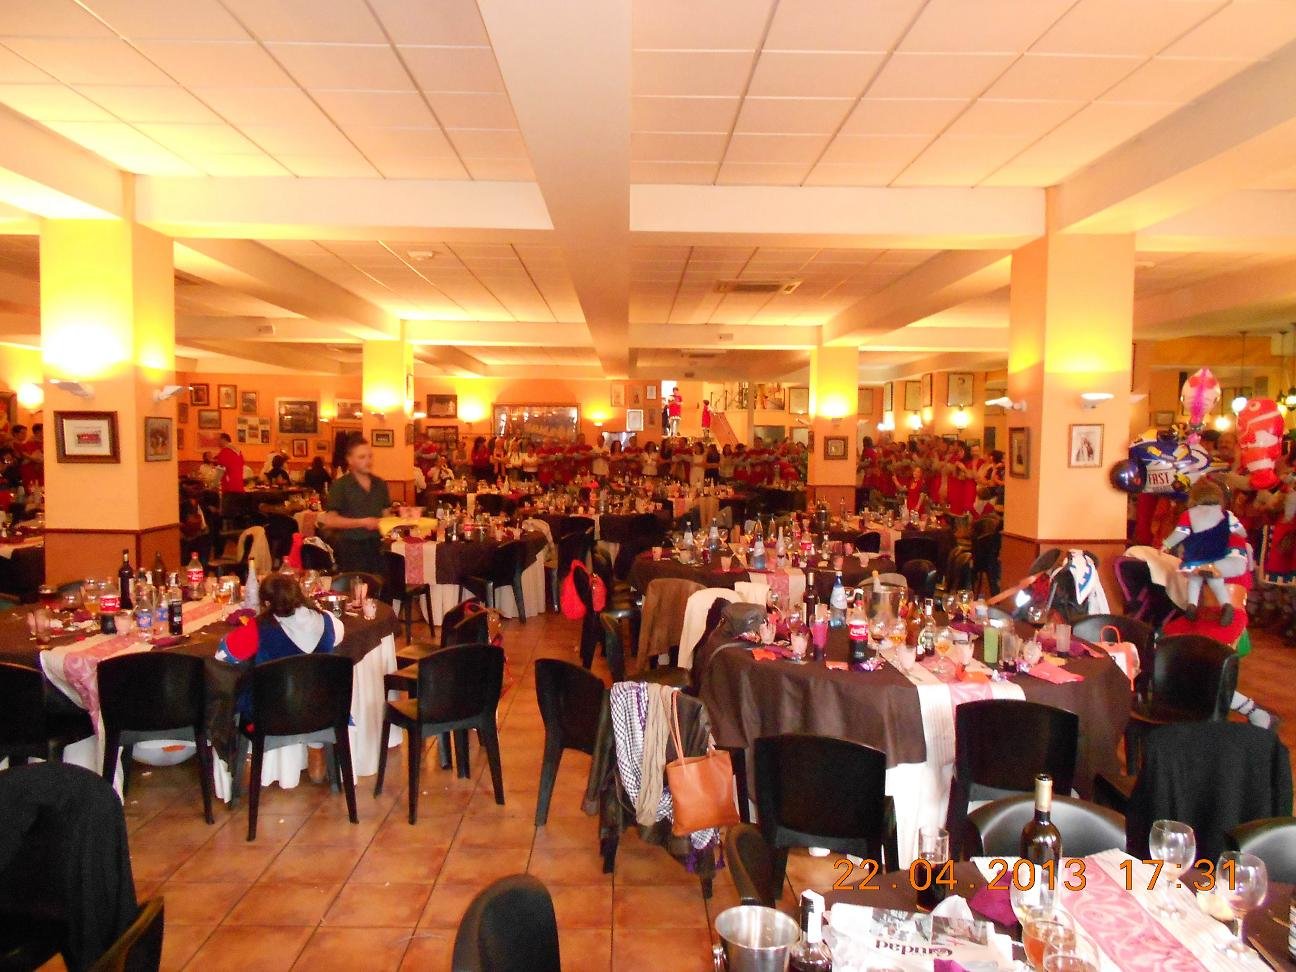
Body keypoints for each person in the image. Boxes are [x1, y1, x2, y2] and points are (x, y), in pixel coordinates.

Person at [319, 436, 390, 573]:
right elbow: (330, 520)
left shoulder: (380, 484)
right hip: (350, 548)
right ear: (350, 460)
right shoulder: (341, 485)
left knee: (381, 583)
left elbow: (386, 516)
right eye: (362, 457)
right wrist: (362, 522)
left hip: (378, 547)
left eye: (370, 456)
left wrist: (400, 521)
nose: (368, 461)